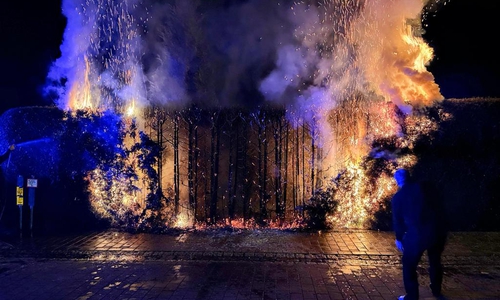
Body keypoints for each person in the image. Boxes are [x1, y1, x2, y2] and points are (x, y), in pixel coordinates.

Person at [392, 168, 448, 300]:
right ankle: (437, 291)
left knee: (409, 264)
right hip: (435, 231)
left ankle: (412, 296)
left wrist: (399, 238)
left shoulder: (398, 197)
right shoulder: (425, 187)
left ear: (398, 180)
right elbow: (439, 206)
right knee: (435, 261)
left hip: (416, 235)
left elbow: (397, 220)